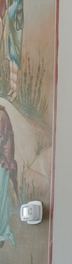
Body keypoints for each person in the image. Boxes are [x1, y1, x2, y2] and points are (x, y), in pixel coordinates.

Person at [0, 104, 16, 247]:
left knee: (2, 200)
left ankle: (2, 233)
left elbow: (3, 141)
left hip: (2, 164)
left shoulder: (1, 116)